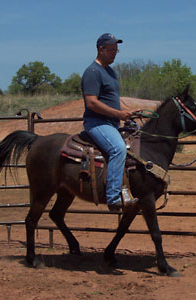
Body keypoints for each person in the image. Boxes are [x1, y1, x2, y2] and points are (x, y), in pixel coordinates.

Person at [81, 33, 138, 212]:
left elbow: (112, 98)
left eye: (116, 50)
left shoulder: (110, 72)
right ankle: (113, 197)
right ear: (101, 49)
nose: (115, 53)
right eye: (111, 50)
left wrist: (127, 112)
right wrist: (119, 114)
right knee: (118, 149)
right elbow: (91, 102)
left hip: (112, 123)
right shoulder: (92, 72)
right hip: (97, 123)